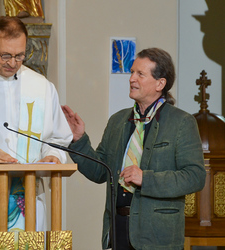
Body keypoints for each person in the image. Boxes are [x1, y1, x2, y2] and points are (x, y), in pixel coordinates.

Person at [62, 48, 206, 250]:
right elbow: (99, 171)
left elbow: (195, 176)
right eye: (131, 72)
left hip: (157, 236)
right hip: (117, 229)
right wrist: (78, 140)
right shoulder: (118, 121)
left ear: (160, 83)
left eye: (140, 74)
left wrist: (146, 179)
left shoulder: (181, 122)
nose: (131, 79)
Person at [0, 16, 72, 233]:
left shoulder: (42, 87)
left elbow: (56, 138)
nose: (12, 63)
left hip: (26, 197)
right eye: (6, 55)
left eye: (20, 56)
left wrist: (52, 156)